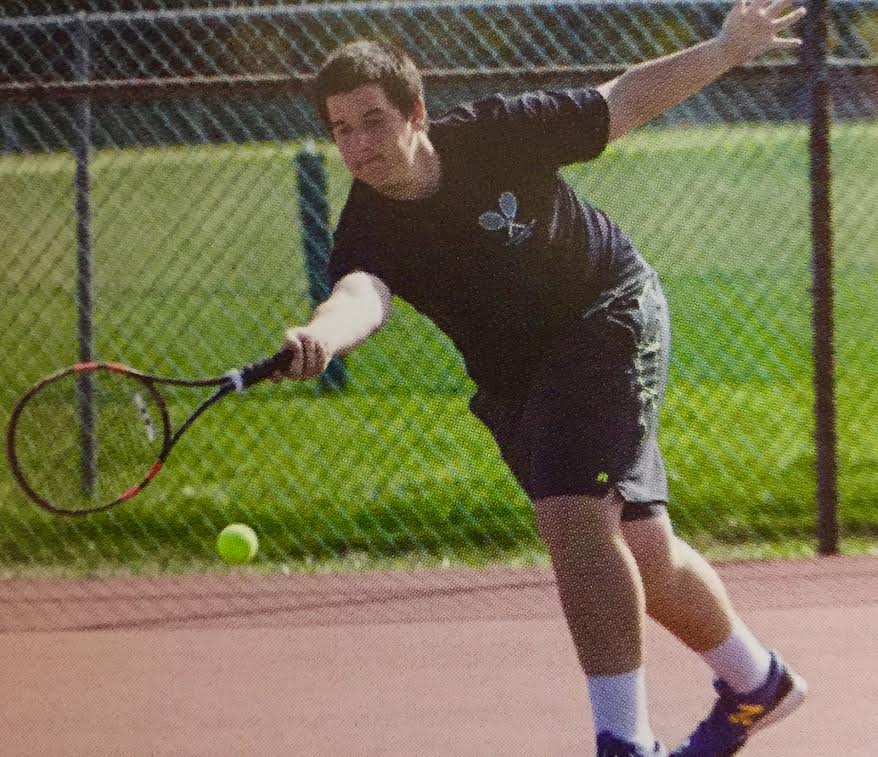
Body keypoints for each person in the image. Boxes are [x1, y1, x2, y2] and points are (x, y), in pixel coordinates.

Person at [275, 1, 808, 754]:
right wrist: (320, 338)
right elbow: (361, 294)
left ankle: (624, 741)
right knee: (639, 553)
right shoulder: (367, 226)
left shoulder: (499, 133)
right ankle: (759, 681)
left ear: (415, 113)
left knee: (571, 516)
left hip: (607, 310)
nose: (358, 145)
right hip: (520, 376)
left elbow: (621, 101)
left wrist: (725, 48)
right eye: (341, 130)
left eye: (372, 120)